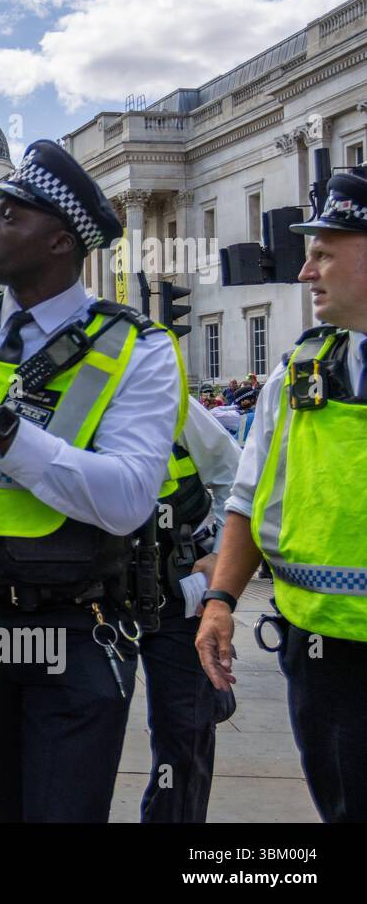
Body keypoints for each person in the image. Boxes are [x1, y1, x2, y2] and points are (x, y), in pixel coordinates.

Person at [0, 140, 184, 822]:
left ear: (60, 242)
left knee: (63, 806)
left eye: (10, 215)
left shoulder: (137, 348)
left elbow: (126, 500)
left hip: (77, 621)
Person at [196, 167, 367, 823]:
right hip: (320, 657)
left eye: (323, 254)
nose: (305, 272)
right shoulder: (300, 372)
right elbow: (248, 499)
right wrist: (220, 602)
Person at [137, 397, 240, 822]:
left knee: (185, 731)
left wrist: (220, 554)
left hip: (176, 586)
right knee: (80, 732)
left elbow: (234, 474)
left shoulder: (166, 395)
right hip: (89, 594)